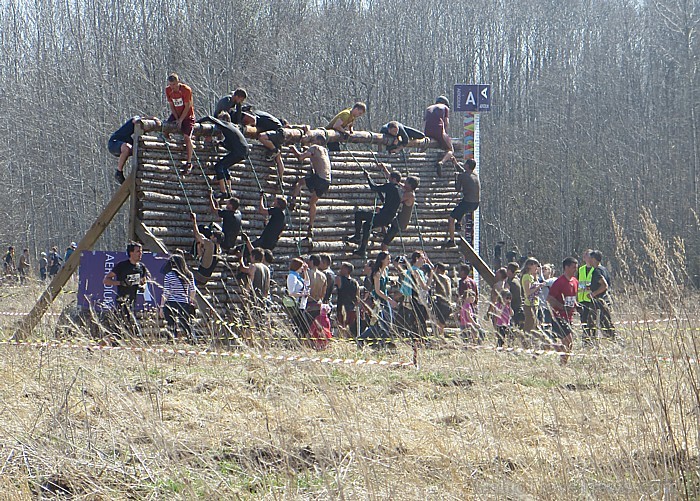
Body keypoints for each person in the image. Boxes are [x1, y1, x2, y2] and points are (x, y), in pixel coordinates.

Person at [347, 170, 403, 258]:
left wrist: (368, 177)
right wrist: (379, 191)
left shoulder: (390, 186)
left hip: (382, 216)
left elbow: (373, 187)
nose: (388, 180)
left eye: (390, 178)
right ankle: (362, 250)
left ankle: (357, 236)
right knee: (367, 225)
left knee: (359, 214)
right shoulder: (399, 190)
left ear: (394, 179)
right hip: (388, 218)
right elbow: (386, 201)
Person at [103, 242, 150, 335]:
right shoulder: (122, 265)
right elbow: (106, 280)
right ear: (131, 253)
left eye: (141, 251)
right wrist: (121, 283)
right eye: (138, 251)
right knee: (120, 329)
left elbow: (144, 282)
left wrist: (142, 286)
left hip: (132, 301)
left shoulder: (141, 267)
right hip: (121, 301)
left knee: (126, 329)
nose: (140, 254)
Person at [199, 112, 249, 198]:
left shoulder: (225, 124)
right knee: (225, 167)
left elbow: (209, 117)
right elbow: (230, 144)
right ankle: (229, 191)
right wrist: (220, 143)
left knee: (218, 166)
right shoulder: (232, 128)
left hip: (239, 151)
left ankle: (223, 192)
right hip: (244, 151)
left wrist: (197, 122)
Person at [288, 144, 332, 240]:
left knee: (299, 183)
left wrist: (293, 149)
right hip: (327, 181)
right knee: (313, 202)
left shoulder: (315, 147)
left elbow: (300, 157)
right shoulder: (324, 151)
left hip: (319, 178)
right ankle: (310, 227)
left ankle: (293, 201)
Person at [358, 252, 398, 348]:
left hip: (384, 298)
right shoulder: (377, 273)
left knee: (385, 322)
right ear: (382, 260)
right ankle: (367, 338)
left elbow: (385, 281)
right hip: (379, 300)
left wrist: (391, 282)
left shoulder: (386, 270)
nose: (389, 261)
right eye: (388, 259)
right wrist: (389, 300)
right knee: (382, 322)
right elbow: (377, 290)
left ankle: (380, 341)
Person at [376, 162, 419, 252]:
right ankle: (383, 230)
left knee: (384, 244)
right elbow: (395, 181)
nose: (404, 183)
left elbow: (396, 199)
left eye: (406, 182)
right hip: (396, 218)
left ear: (410, 185)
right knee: (382, 213)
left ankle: (384, 258)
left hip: (399, 223)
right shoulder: (407, 190)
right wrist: (385, 169)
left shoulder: (410, 195)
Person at [108, 116, 161, 184]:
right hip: (114, 143)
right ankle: (119, 172)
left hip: (124, 145)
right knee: (127, 147)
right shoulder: (137, 119)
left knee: (138, 150)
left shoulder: (140, 134)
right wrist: (153, 118)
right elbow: (135, 120)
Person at [547, 257, 580, 364]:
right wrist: (562, 307)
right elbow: (550, 298)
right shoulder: (559, 282)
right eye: (573, 267)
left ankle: (547, 346)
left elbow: (572, 297)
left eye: (576, 267)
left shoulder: (575, 281)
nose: (575, 270)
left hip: (569, 317)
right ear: (566, 267)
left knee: (566, 344)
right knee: (569, 342)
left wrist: (576, 306)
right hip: (559, 316)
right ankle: (562, 363)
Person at [159, 254, 196, 341]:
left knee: (171, 325)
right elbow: (193, 290)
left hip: (171, 303)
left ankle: (171, 340)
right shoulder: (189, 275)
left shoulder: (169, 275)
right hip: (184, 303)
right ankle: (192, 340)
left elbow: (166, 292)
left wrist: (161, 306)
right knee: (186, 324)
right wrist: (190, 301)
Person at [444, 159, 480, 247]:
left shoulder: (462, 176)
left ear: (467, 166)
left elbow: (457, 188)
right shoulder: (475, 174)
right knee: (462, 206)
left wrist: (456, 178)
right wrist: (455, 163)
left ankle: (452, 241)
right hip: (476, 203)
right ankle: (459, 223)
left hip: (468, 202)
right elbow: (464, 173)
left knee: (451, 218)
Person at [165, 73, 195, 174]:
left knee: (187, 137)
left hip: (187, 116)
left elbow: (187, 106)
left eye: (174, 85)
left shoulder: (186, 90)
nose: (172, 87)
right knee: (165, 128)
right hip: (176, 114)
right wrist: (176, 118)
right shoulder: (168, 90)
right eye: (170, 85)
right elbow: (171, 105)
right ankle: (170, 151)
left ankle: (189, 161)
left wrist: (181, 120)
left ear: (178, 82)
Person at [398, 251, 430, 341]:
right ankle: (420, 338)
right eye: (422, 258)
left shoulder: (420, 271)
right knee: (419, 319)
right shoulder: (414, 271)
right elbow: (424, 286)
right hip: (415, 298)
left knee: (419, 318)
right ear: (417, 259)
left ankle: (419, 338)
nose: (424, 260)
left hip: (420, 298)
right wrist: (431, 275)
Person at [241, 110, 286, 174]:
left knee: (261, 136)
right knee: (278, 159)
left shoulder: (255, 115)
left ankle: (274, 150)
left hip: (278, 132)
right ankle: (281, 180)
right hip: (279, 133)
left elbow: (253, 121)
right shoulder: (260, 114)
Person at [424, 96, 457, 175]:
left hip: (427, 131)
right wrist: (445, 134)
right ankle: (441, 162)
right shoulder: (445, 107)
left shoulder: (428, 108)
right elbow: (446, 122)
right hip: (438, 130)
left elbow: (425, 122)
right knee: (450, 150)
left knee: (425, 145)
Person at [588, 250, 616, 339]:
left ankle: (590, 342)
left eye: (590, 258)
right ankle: (612, 339)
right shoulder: (604, 269)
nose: (589, 260)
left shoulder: (596, 271)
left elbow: (604, 285)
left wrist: (593, 294)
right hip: (605, 300)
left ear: (593, 259)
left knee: (593, 323)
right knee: (606, 323)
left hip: (599, 301)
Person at [190, 212, 222, 287]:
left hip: (199, 276)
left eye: (212, 236)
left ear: (215, 238)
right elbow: (202, 256)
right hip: (205, 279)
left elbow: (197, 235)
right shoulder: (219, 250)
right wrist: (199, 246)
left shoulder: (210, 244)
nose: (210, 236)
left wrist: (194, 220)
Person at [286, 257, 311, 339]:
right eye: (301, 267)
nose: (302, 268)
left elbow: (307, 283)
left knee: (305, 328)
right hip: (296, 306)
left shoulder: (298, 277)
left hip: (302, 305)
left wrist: (305, 271)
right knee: (303, 327)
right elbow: (291, 293)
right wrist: (302, 294)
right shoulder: (292, 276)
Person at [335, 262, 359, 338]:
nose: (340, 270)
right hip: (352, 308)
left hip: (342, 308)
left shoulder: (339, 279)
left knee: (341, 328)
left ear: (346, 269)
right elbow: (357, 297)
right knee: (350, 330)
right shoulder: (355, 282)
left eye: (342, 268)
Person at [577, 249, 596, 344]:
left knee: (592, 321)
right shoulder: (580, 269)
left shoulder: (595, 269)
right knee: (583, 321)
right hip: (582, 299)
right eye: (585, 255)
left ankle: (593, 339)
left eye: (588, 255)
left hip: (591, 299)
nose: (586, 257)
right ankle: (585, 340)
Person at [521, 258, 543, 334]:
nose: (537, 268)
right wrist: (538, 286)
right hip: (529, 305)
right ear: (530, 266)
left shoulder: (532, 276)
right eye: (536, 266)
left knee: (535, 326)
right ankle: (524, 342)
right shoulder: (527, 276)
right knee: (529, 326)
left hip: (535, 304)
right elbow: (528, 292)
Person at [429, 262, 452, 337]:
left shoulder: (440, 277)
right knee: (441, 323)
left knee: (439, 323)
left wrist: (431, 268)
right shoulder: (447, 278)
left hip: (442, 304)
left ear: (438, 269)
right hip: (448, 304)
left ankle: (439, 337)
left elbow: (432, 275)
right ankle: (439, 336)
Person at [506, 262, 524, 330]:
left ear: (509, 271)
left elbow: (506, 296)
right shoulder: (517, 280)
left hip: (512, 308)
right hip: (518, 307)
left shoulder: (511, 283)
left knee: (511, 329)